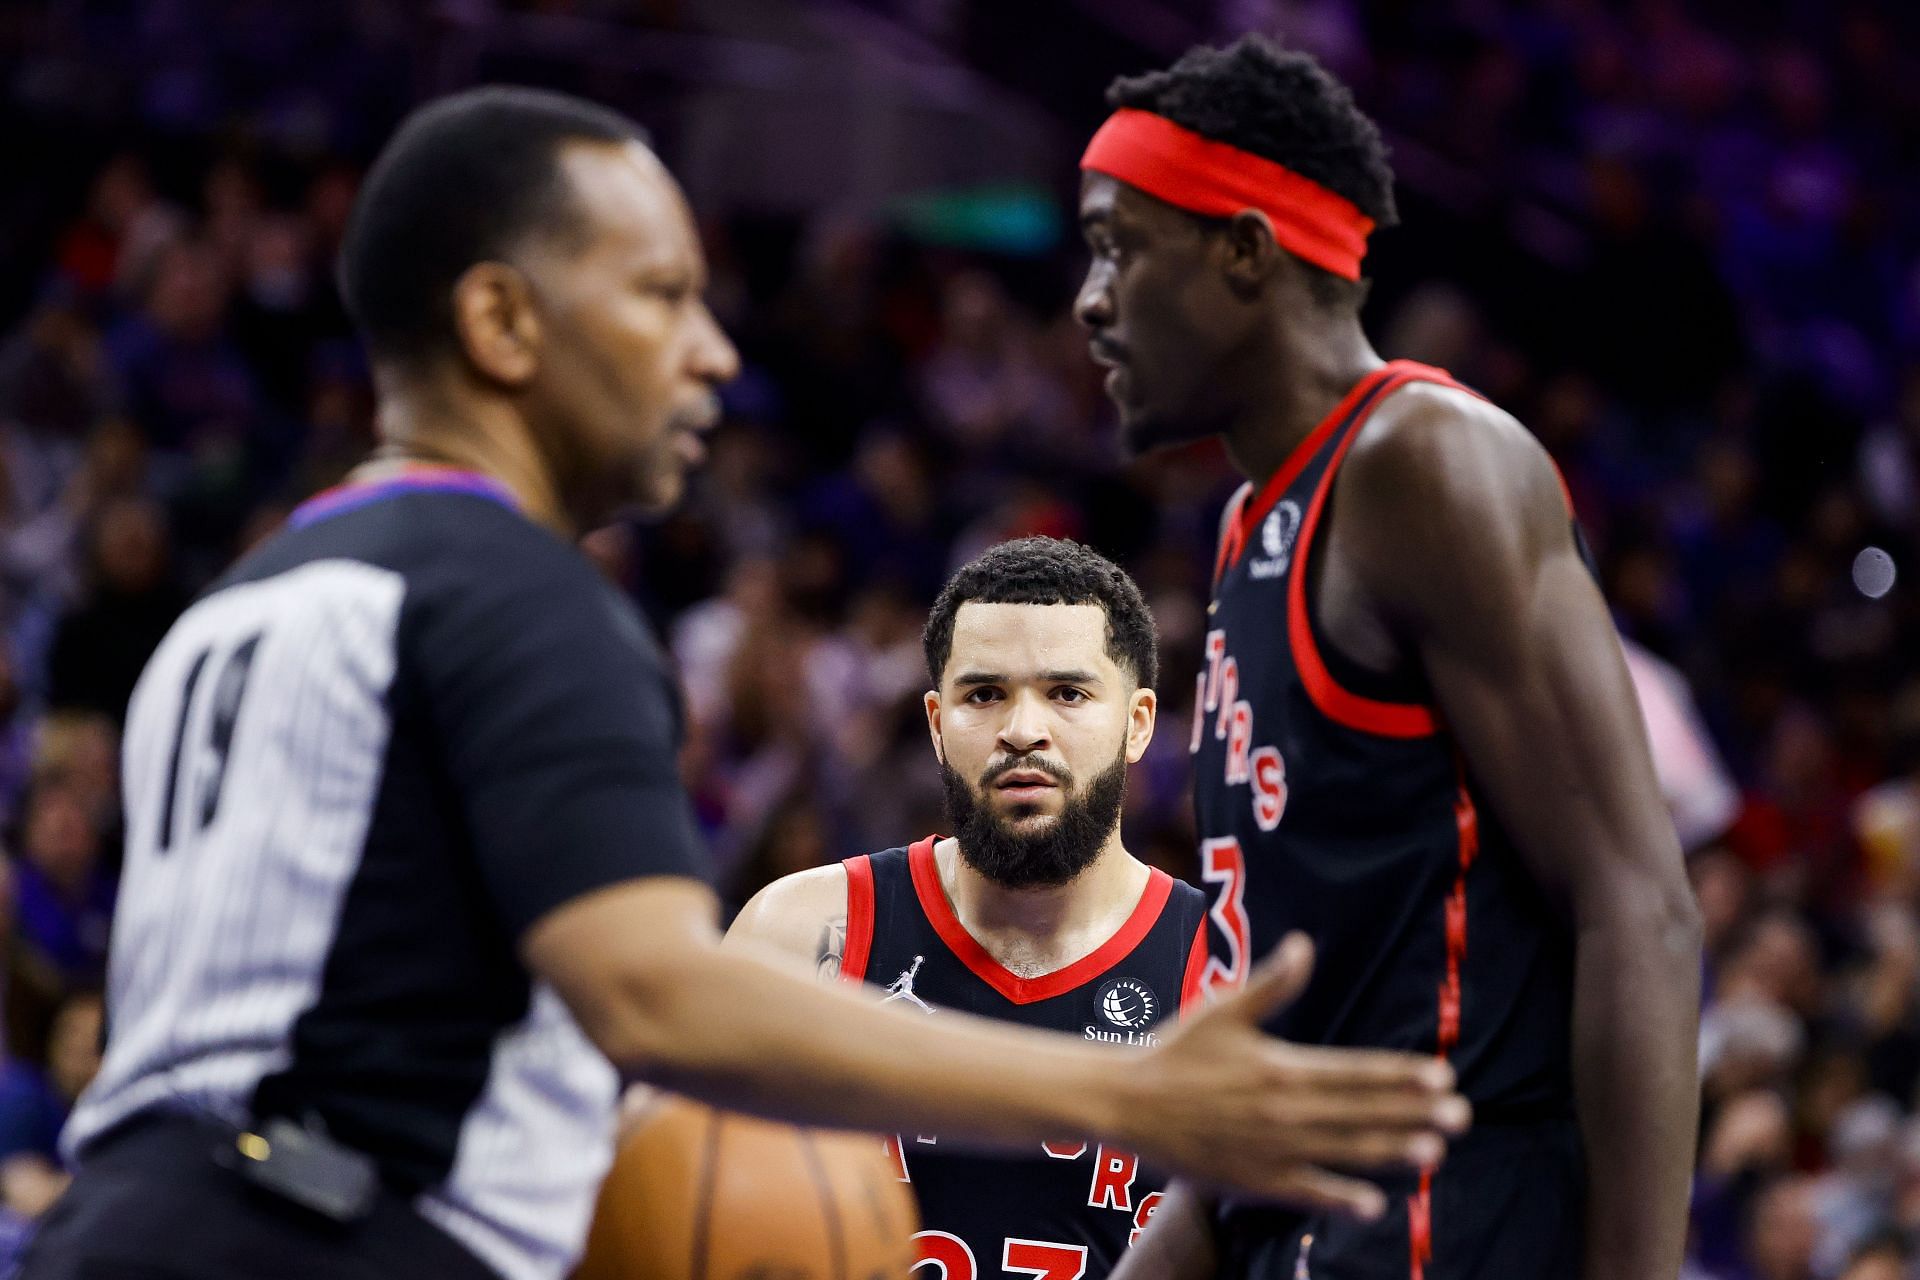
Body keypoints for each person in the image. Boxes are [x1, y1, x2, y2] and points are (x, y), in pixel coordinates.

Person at [21, 87, 1466, 1280]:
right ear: (503, 325)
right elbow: (660, 1000)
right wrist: (1129, 1096)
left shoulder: (235, 608)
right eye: (660, 297)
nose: (712, 351)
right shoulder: (521, 598)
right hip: (338, 1240)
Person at [1072, 37, 1702, 1280]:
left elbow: (1641, 904)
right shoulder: (1255, 521)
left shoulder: (1427, 463)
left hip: (1443, 1225)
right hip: (1300, 1217)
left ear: (1244, 251)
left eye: (1117, 244)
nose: (1091, 296)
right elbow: (1287, 1051)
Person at [732, 537, 1275, 1277]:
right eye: (984, 694)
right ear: (935, 722)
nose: (1022, 730)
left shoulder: (1227, 973)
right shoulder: (797, 936)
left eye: (1068, 693)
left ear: (1139, 722)